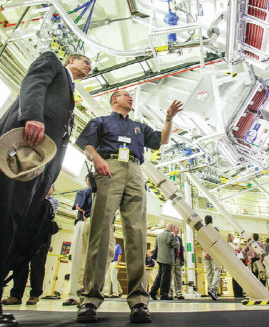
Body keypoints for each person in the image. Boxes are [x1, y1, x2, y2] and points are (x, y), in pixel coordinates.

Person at [0, 52, 91, 327]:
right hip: (26, 150)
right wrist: (31, 116)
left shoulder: (70, 90)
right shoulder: (52, 63)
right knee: (3, 222)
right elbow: (33, 82)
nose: (90, 67)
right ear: (70, 59)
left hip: (44, 162)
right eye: (86, 62)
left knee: (16, 229)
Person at [75, 90, 182, 323]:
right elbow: (86, 144)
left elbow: (162, 140)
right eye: (125, 95)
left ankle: (139, 302)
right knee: (100, 232)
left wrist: (168, 119)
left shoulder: (139, 127)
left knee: (137, 233)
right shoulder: (100, 122)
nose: (130, 98)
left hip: (134, 171)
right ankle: (90, 300)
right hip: (108, 167)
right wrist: (97, 159)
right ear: (114, 100)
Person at [3, 184, 60, 305]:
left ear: (53, 190)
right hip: (26, 233)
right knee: (20, 263)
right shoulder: (32, 198)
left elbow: (49, 217)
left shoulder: (53, 202)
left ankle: (35, 294)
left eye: (50, 186)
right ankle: (16, 295)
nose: (47, 187)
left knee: (38, 265)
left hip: (42, 235)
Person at [64, 178, 93, 306]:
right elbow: (79, 207)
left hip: (95, 224)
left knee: (92, 261)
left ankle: (89, 293)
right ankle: (75, 294)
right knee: (78, 259)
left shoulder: (102, 192)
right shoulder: (83, 192)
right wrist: (86, 212)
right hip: (84, 223)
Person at [150, 223, 179, 300]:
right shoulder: (171, 235)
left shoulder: (159, 235)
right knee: (166, 277)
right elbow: (176, 245)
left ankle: (153, 292)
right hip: (167, 259)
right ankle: (164, 294)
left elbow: (156, 247)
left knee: (159, 276)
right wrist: (176, 238)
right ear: (172, 229)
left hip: (160, 259)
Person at [202, 215, 221, 301]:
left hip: (205, 253)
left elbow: (201, 242)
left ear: (204, 221)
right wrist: (210, 252)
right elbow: (216, 241)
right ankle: (213, 289)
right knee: (217, 270)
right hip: (213, 252)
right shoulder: (215, 229)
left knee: (209, 272)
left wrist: (206, 252)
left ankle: (210, 290)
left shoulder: (202, 230)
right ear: (212, 222)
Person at [226, 233, 244, 298]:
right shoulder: (229, 244)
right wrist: (240, 240)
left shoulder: (232, 244)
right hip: (234, 262)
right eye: (232, 236)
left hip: (236, 261)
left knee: (239, 278)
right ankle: (237, 293)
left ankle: (239, 292)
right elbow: (236, 248)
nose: (233, 237)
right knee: (236, 278)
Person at [169, 225, 184, 299]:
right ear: (173, 229)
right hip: (172, 258)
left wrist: (182, 259)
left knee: (178, 276)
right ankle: (170, 293)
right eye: (176, 228)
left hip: (178, 258)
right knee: (170, 276)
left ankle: (179, 293)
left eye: (178, 229)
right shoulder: (170, 237)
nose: (177, 230)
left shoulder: (179, 239)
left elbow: (181, 249)